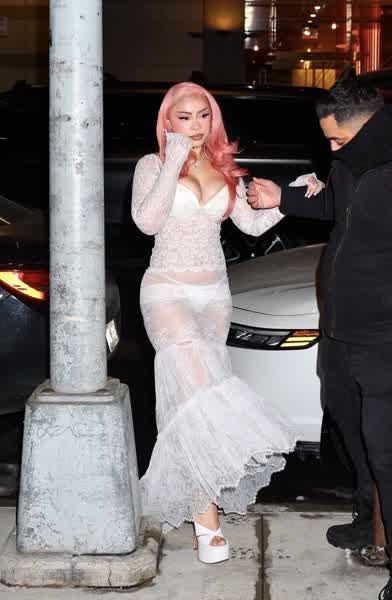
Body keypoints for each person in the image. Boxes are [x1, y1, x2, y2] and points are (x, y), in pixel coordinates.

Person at [130, 82, 318, 565]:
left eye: (203, 115)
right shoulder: (151, 165)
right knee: (199, 395)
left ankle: (201, 507)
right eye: (184, 117)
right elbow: (147, 222)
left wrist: (293, 196)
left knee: (190, 403)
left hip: (215, 295)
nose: (195, 126)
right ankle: (207, 521)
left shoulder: (224, 168)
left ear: (213, 119)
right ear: (167, 121)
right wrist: (173, 160)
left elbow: (251, 226)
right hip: (167, 290)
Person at [248, 77, 392, 599]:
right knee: (348, 424)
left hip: (388, 335)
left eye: (338, 139)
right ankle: (366, 518)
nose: (331, 149)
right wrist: (284, 198)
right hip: (339, 327)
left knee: (388, 449)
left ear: (369, 127)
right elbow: (337, 207)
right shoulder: (350, 161)